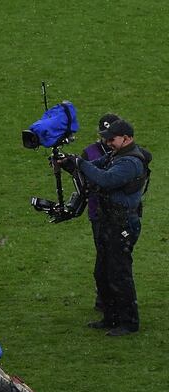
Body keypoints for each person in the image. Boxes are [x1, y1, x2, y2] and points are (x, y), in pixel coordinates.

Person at [60, 119, 151, 336]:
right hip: (110, 221)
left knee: (119, 273)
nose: (107, 142)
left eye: (111, 139)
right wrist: (70, 162)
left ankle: (129, 323)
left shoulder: (130, 162)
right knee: (103, 272)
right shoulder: (116, 155)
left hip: (122, 224)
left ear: (126, 139)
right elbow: (94, 169)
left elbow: (105, 179)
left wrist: (80, 164)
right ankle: (111, 318)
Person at [81, 114, 120, 313]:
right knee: (104, 257)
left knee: (112, 258)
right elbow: (83, 180)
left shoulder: (123, 154)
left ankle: (111, 300)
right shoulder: (90, 152)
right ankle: (105, 299)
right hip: (98, 212)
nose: (107, 139)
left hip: (116, 212)